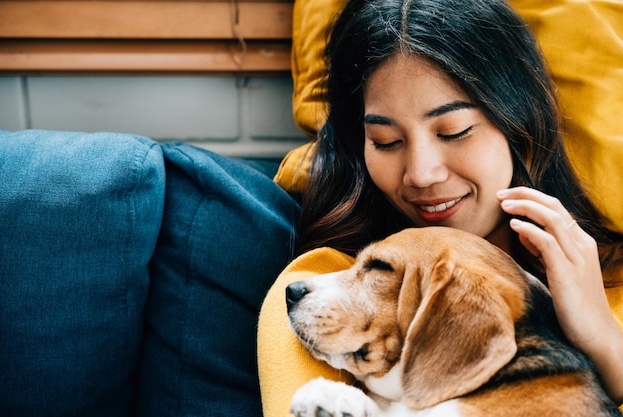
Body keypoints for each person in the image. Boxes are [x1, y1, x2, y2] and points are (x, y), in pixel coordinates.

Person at [257, 0, 623, 415]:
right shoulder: (320, 284)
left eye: (454, 131)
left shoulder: (606, 285)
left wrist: (606, 343)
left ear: (519, 124)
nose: (421, 174)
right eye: (386, 141)